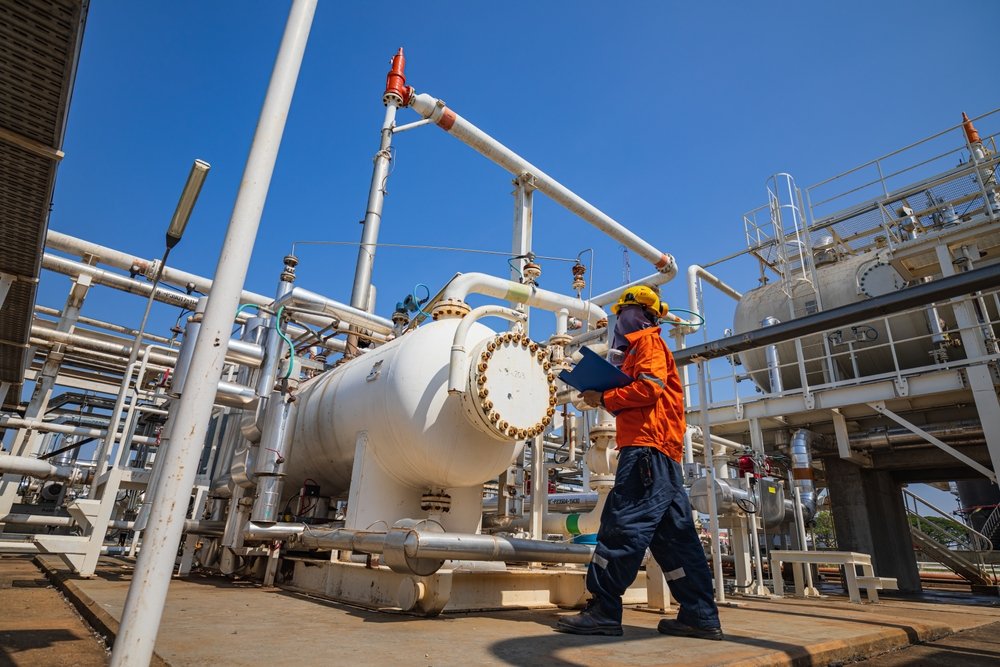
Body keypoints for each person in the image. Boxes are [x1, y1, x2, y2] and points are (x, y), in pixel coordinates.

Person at [555, 285, 723, 640]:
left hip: (646, 449)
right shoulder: (640, 348)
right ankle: (699, 615)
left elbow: (649, 389)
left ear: (639, 313)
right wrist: (607, 396)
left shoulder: (647, 341)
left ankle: (603, 610)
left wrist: (604, 395)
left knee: (622, 526)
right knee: (676, 539)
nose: (620, 319)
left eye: (624, 312)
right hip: (661, 454)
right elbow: (644, 393)